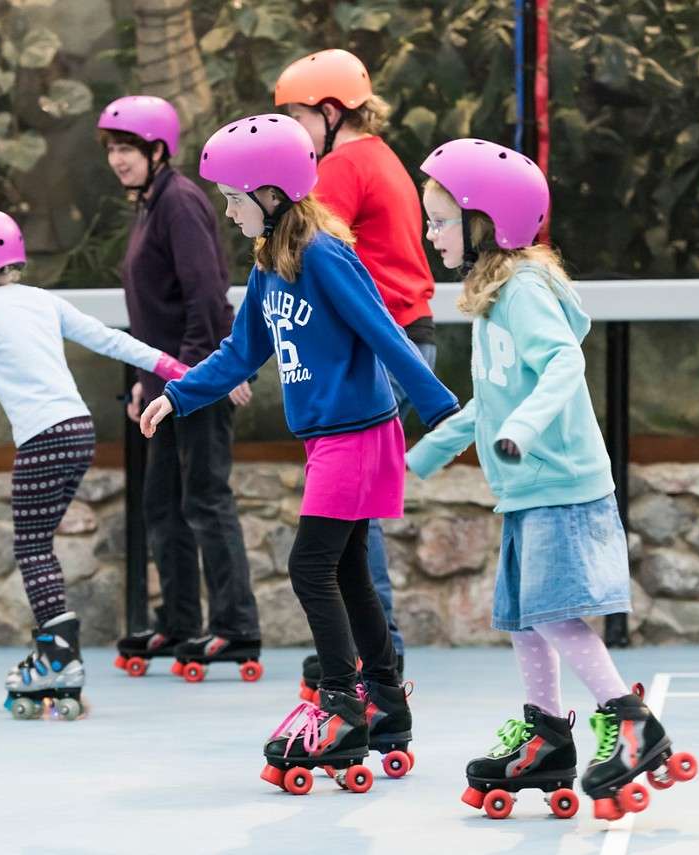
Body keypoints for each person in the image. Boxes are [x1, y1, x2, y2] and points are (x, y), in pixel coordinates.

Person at [141, 114, 459, 790]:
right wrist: (181, 392)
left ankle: (341, 702)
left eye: (233, 196)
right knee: (342, 570)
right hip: (326, 438)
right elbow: (242, 351)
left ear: (273, 193)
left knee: (309, 565)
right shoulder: (271, 262)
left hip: (357, 433)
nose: (226, 210)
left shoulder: (321, 253)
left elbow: (383, 329)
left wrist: (437, 407)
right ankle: (389, 704)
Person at [407, 138, 695, 821]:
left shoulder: (526, 290)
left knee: (557, 614)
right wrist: (418, 456)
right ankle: (546, 734)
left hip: (561, 483)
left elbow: (564, 366)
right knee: (523, 618)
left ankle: (632, 722)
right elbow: (490, 405)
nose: (430, 232)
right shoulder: (493, 296)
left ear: (484, 223)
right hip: (527, 488)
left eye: (440, 218)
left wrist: (528, 427)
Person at [0, 210, 188, 719]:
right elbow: (110, 339)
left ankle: (57, 657)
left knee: (31, 546)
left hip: (43, 439)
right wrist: (172, 367)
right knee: (37, 543)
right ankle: (57, 651)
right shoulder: (42, 301)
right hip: (79, 431)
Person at [275, 49, 438, 693]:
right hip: (407, 335)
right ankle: (378, 653)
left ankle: (376, 657)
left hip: (384, 344)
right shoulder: (381, 157)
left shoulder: (340, 167)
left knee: (346, 508)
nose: (291, 135)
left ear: (331, 111)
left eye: (295, 119)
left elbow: (297, 250)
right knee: (354, 506)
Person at [96, 96, 262, 675]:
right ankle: (181, 622)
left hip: (193, 382)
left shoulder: (181, 203)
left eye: (128, 148)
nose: (118, 159)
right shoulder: (150, 205)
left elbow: (205, 296)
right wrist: (149, 381)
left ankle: (236, 627)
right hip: (166, 383)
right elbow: (155, 312)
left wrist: (195, 379)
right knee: (162, 503)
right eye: (113, 149)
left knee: (205, 500)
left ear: (158, 150)